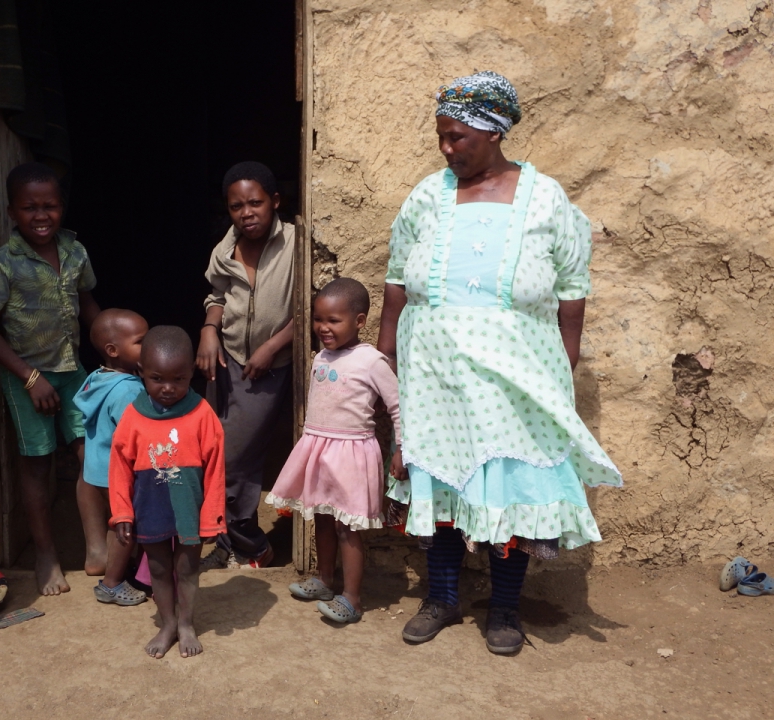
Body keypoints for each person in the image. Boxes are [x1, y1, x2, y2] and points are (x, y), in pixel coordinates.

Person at [377, 71, 622, 654]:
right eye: (441, 136)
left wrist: (563, 365)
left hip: (516, 377)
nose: (446, 148)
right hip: (435, 375)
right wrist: (386, 356)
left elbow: (572, 288)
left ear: (492, 132)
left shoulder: (545, 198)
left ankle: (505, 609)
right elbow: (396, 280)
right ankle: (442, 597)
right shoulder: (427, 195)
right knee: (439, 480)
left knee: (511, 489)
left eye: (457, 136)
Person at [0, 162, 100, 596]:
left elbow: (87, 303)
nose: (41, 216)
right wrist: (30, 379)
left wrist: (115, 348)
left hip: (72, 371)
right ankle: (46, 554)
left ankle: (96, 544)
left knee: (92, 452)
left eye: (50, 206)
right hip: (27, 378)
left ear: (62, 207)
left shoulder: (75, 252)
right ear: (12, 212)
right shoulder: (2, 264)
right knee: (37, 464)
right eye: (30, 208)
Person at [266, 278, 404, 624]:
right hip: (319, 449)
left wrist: (401, 449)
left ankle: (352, 598)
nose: (323, 327)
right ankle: (325, 581)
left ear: (359, 321)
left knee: (347, 528)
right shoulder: (321, 358)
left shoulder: (371, 361)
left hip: (351, 454)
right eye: (318, 319)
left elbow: (398, 407)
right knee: (323, 519)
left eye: (333, 320)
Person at [196, 161, 294, 570]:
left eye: (255, 203)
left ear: (275, 201)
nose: (246, 213)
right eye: (236, 206)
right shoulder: (225, 249)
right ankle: (230, 544)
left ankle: (253, 545)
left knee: (233, 458)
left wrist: (272, 346)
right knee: (215, 451)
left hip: (269, 366)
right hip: (226, 359)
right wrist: (208, 330)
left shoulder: (295, 244)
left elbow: (309, 307)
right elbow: (217, 296)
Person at [109, 326, 226, 658]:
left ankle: (186, 623)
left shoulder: (202, 414)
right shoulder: (133, 416)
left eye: (179, 379)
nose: (168, 388)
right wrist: (122, 512)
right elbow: (119, 469)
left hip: (190, 509)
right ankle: (168, 624)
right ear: (141, 372)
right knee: (159, 568)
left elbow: (216, 470)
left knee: (187, 568)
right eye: (157, 379)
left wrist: (212, 517)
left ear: (191, 373)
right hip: (150, 507)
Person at [73, 309, 150, 606]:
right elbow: (137, 436)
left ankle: (112, 567)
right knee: (127, 525)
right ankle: (112, 584)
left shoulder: (98, 378)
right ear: (113, 350)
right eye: (141, 342)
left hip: (96, 468)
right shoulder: (129, 390)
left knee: (115, 522)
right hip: (119, 473)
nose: (149, 346)